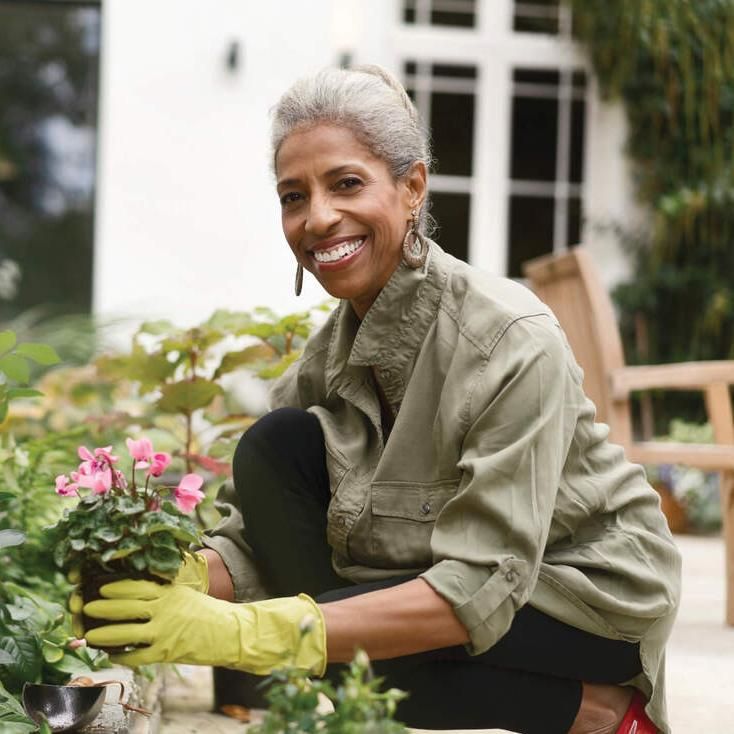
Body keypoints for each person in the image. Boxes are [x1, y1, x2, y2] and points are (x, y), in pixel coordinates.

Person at [82, 66, 681, 734]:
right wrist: (178, 581)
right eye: (293, 195)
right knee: (276, 447)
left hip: (584, 589)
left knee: (381, 666)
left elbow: (480, 586)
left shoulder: (508, 337)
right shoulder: (331, 351)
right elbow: (257, 538)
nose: (317, 217)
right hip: (456, 575)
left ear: (411, 189)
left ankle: (605, 715)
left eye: (346, 184)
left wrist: (248, 632)